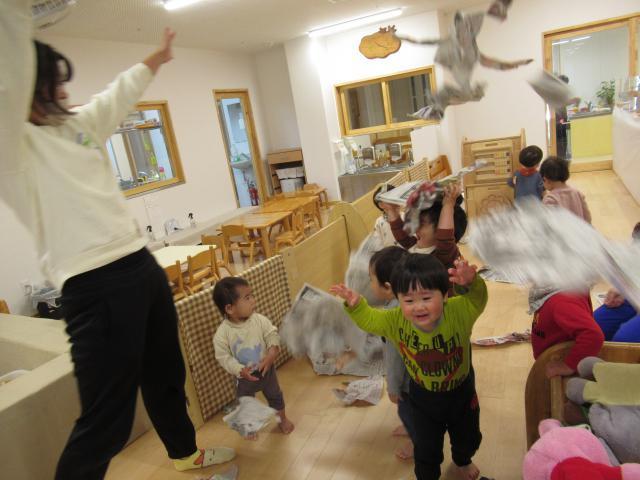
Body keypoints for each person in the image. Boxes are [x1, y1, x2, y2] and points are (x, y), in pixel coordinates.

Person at [1, 4, 234, 478]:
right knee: (107, 421)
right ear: (27, 89)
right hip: (94, 284)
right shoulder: (13, 147)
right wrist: (16, 12)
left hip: (140, 266)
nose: (63, 92)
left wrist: (155, 59)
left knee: (165, 374)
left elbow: (116, 94)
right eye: (52, 84)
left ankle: (184, 453)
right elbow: (10, 63)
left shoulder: (76, 126)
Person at [331, 255, 488, 480]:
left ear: (445, 295)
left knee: (468, 437)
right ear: (398, 299)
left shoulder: (459, 311)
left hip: (461, 393)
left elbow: (477, 299)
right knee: (425, 446)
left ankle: (463, 461)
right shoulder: (395, 320)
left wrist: (472, 283)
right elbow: (371, 320)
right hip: (423, 398)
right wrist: (356, 306)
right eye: (409, 300)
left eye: (426, 297)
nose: (418, 307)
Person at [212, 277, 294, 437]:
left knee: (276, 397)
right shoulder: (223, 334)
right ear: (229, 308)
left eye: (252, 295)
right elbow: (223, 357)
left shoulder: (259, 320)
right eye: (247, 298)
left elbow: (271, 334)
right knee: (246, 405)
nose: (253, 301)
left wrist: (272, 353)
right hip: (244, 378)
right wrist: (239, 370)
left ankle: (282, 419)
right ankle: (249, 428)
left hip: (267, 371)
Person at [369, 246, 413, 459]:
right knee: (413, 412)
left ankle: (416, 442)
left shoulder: (393, 315)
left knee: (411, 411)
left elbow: (395, 357)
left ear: (387, 287)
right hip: (417, 377)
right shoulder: (405, 303)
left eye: (371, 279)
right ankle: (412, 428)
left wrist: (393, 387)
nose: (370, 284)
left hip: (407, 383)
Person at [381, 183, 466, 262]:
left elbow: (445, 236)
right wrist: (391, 210)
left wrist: (448, 205)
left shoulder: (445, 254)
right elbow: (401, 234)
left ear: (439, 230)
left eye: (421, 224)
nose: (415, 227)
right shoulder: (417, 245)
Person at [530, 289, 604, 378]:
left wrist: (569, 366)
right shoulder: (558, 294)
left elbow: (593, 335)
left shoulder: (562, 302)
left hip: (556, 363)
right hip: (549, 357)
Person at [540, 156, 592, 224]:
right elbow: (588, 217)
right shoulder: (577, 193)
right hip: (579, 229)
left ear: (546, 179)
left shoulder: (550, 199)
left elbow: (547, 223)